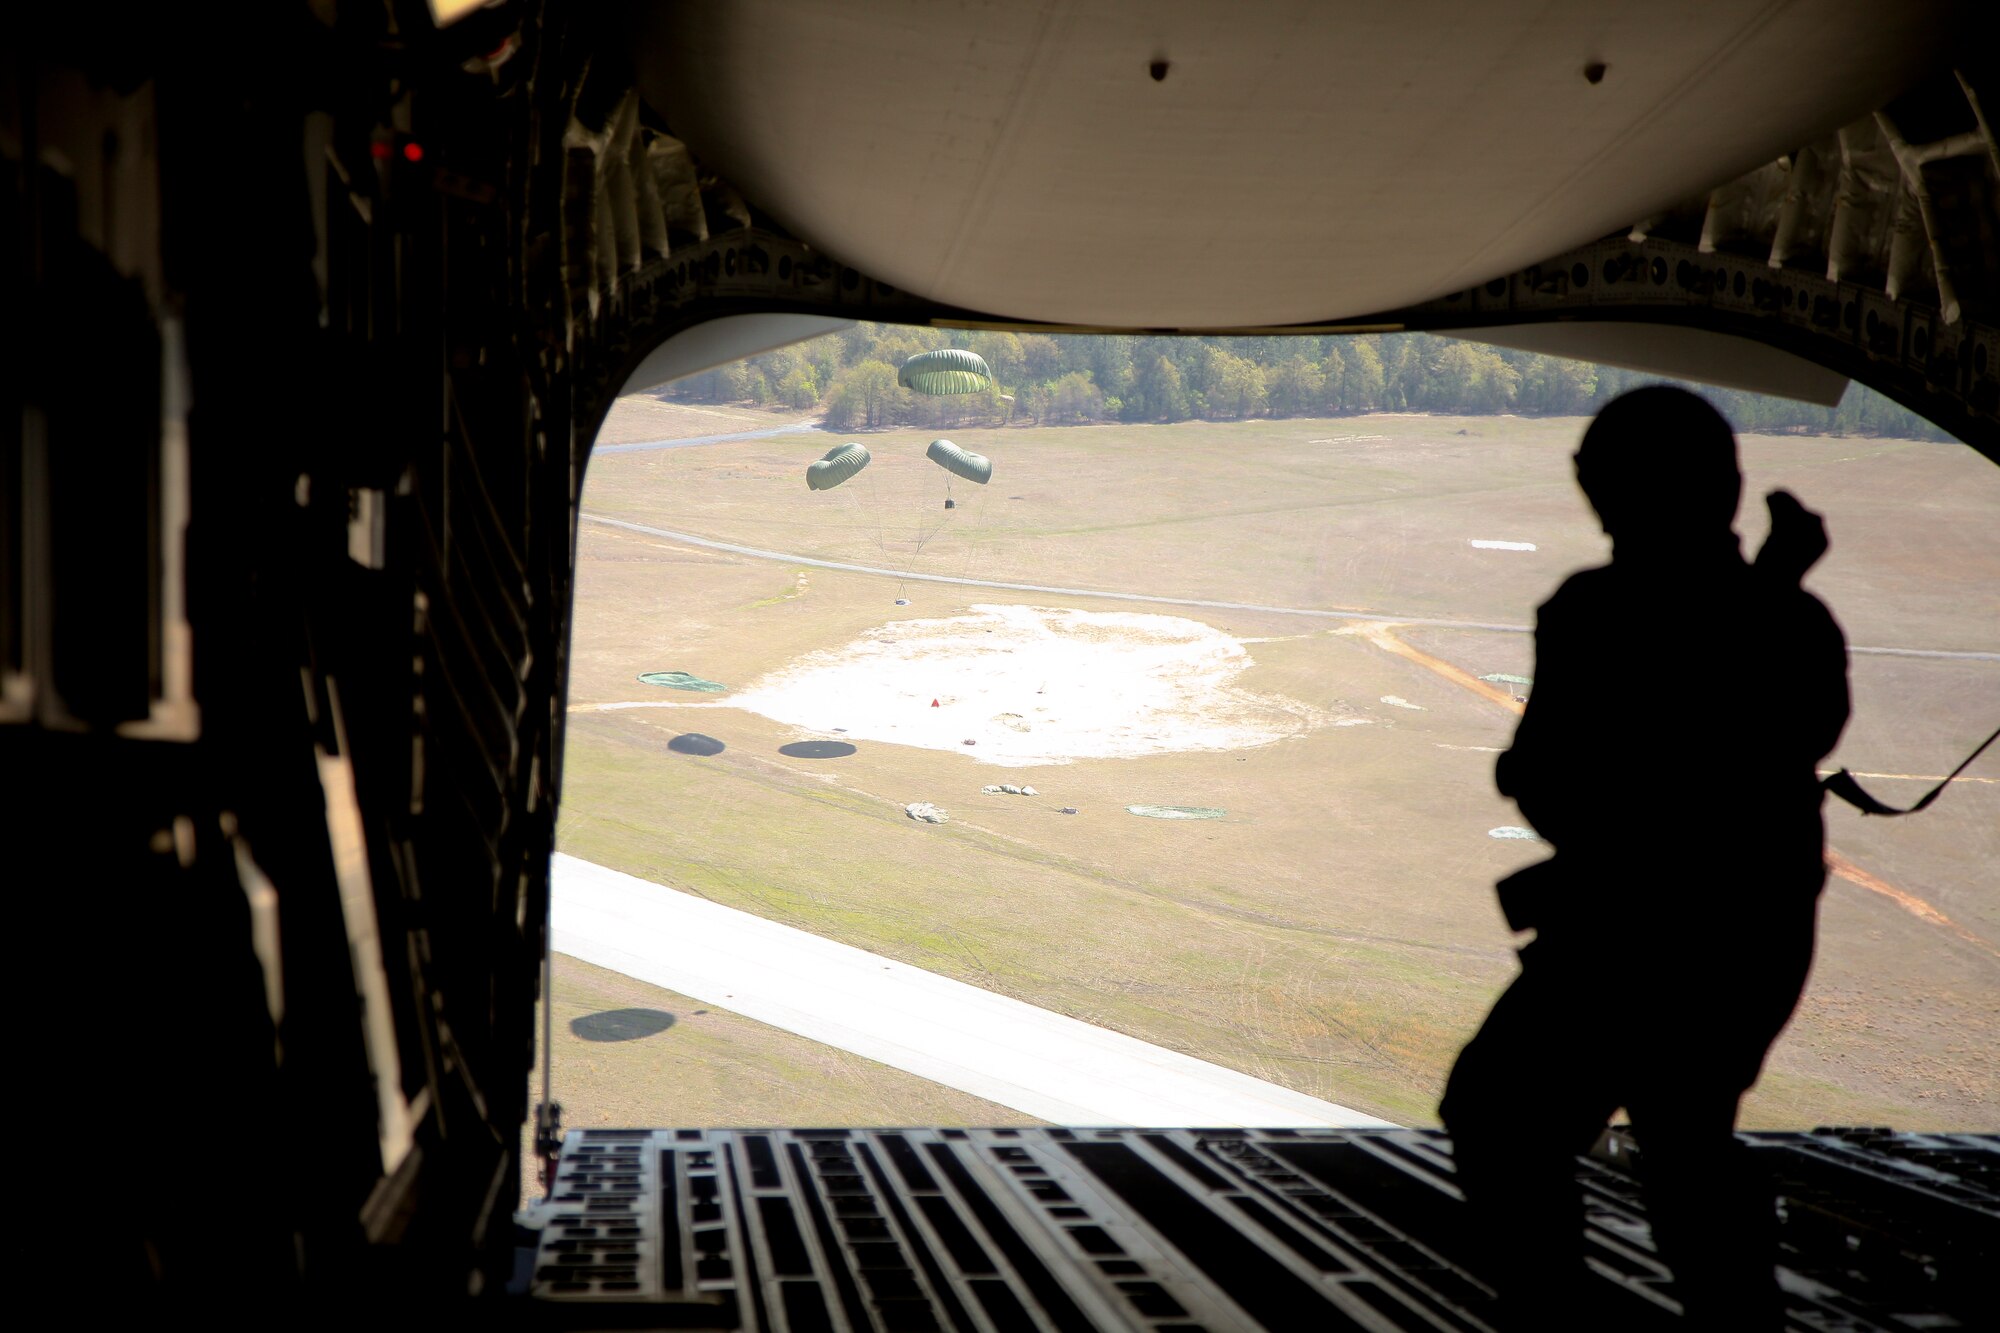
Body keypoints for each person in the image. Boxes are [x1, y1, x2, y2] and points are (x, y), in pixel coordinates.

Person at [1439, 386, 1851, 1327]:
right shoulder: (1788, 622)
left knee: (1505, 1117)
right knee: (1684, 1144)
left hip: (1636, 941)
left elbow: (1561, 781)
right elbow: (1769, 736)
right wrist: (1771, 589)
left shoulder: (1598, 611)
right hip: (1743, 944)